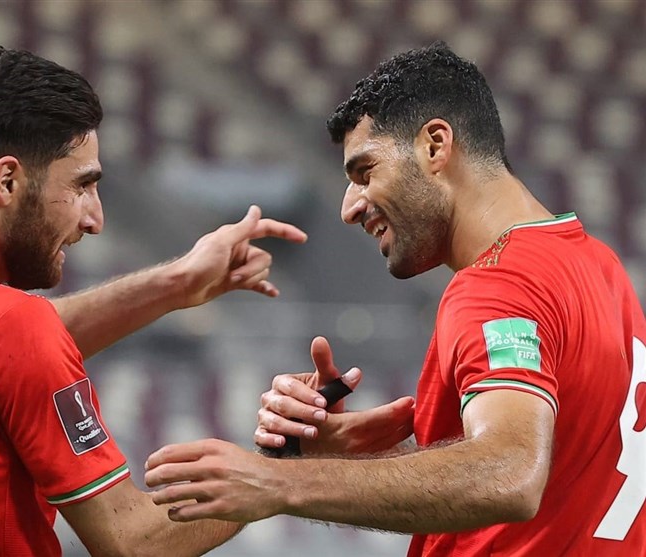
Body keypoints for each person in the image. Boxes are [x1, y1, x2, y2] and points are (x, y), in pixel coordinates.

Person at [143, 42, 646, 556]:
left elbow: (509, 473)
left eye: (365, 172)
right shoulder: (598, 265)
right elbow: (556, 477)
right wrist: (341, 460)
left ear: (435, 146)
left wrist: (275, 483)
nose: (349, 208)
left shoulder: (499, 285)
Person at [0, 46, 308, 556]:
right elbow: (136, 542)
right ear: (7, 181)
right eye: (82, 185)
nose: (95, 219)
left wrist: (177, 283)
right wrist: (283, 466)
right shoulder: (11, 330)